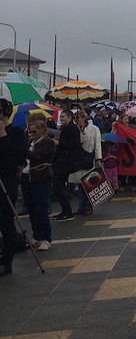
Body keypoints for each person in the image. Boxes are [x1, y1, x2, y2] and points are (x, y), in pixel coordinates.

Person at [0, 98, 28, 276]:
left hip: (7, 180)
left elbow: (19, 158)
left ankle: (7, 261)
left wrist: (3, 136)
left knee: (5, 220)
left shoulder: (16, 132)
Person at [23, 119, 55, 251]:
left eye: (34, 131)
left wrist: (23, 149)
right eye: (30, 131)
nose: (31, 134)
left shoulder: (47, 142)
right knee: (31, 208)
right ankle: (37, 236)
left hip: (40, 177)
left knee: (41, 208)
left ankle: (46, 238)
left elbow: (37, 156)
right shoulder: (30, 142)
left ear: (42, 130)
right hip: (27, 176)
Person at [52, 110, 80, 221]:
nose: (62, 119)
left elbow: (74, 144)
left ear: (69, 117)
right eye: (61, 117)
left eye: (63, 117)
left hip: (66, 161)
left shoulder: (72, 128)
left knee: (58, 186)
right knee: (58, 187)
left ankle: (67, 212)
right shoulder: (66, 128)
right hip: (62, 160)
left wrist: (59, 143)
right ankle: (65, 210)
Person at [73, 110, 102, 215]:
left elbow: (97, 144)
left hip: (89, 157)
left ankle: (88, 206)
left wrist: (98, 158)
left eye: (78, 118)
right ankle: (81, 206)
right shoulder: (75, 129)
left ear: (84, 118)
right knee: (80, 183)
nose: (77, 120)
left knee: (89, 183)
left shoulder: (94, 129)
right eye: (75, 118)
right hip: (78, 158)